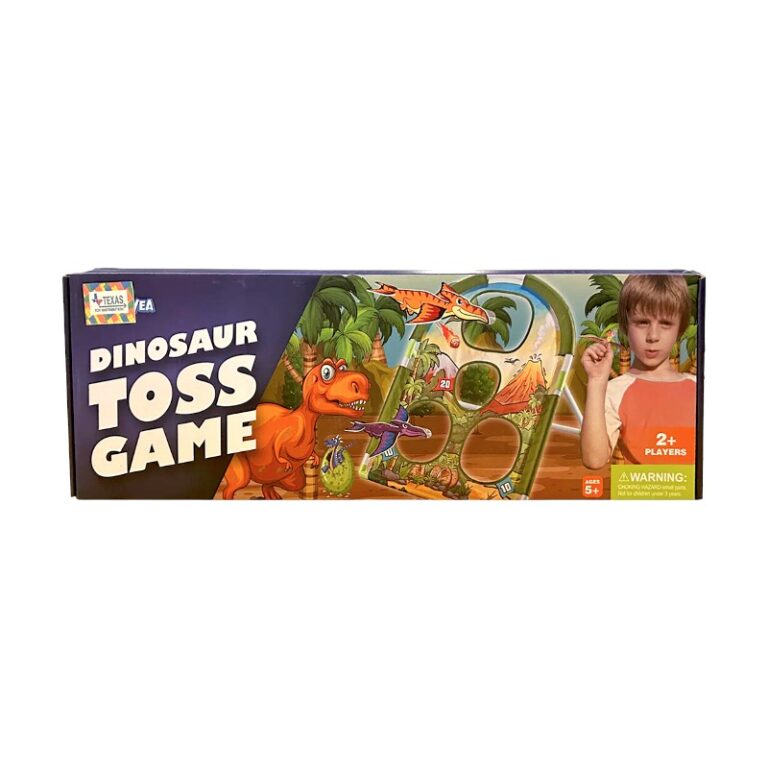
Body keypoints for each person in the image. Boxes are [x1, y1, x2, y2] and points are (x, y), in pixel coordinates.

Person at [580, 275, 696, 468]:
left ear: (680, 329)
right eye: (642, 322)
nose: (653, 336)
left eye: (665, 323)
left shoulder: (698, 389)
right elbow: (594, 460)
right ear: (625, 326)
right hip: (638, 487)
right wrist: (596, 381)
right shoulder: (614, 391)